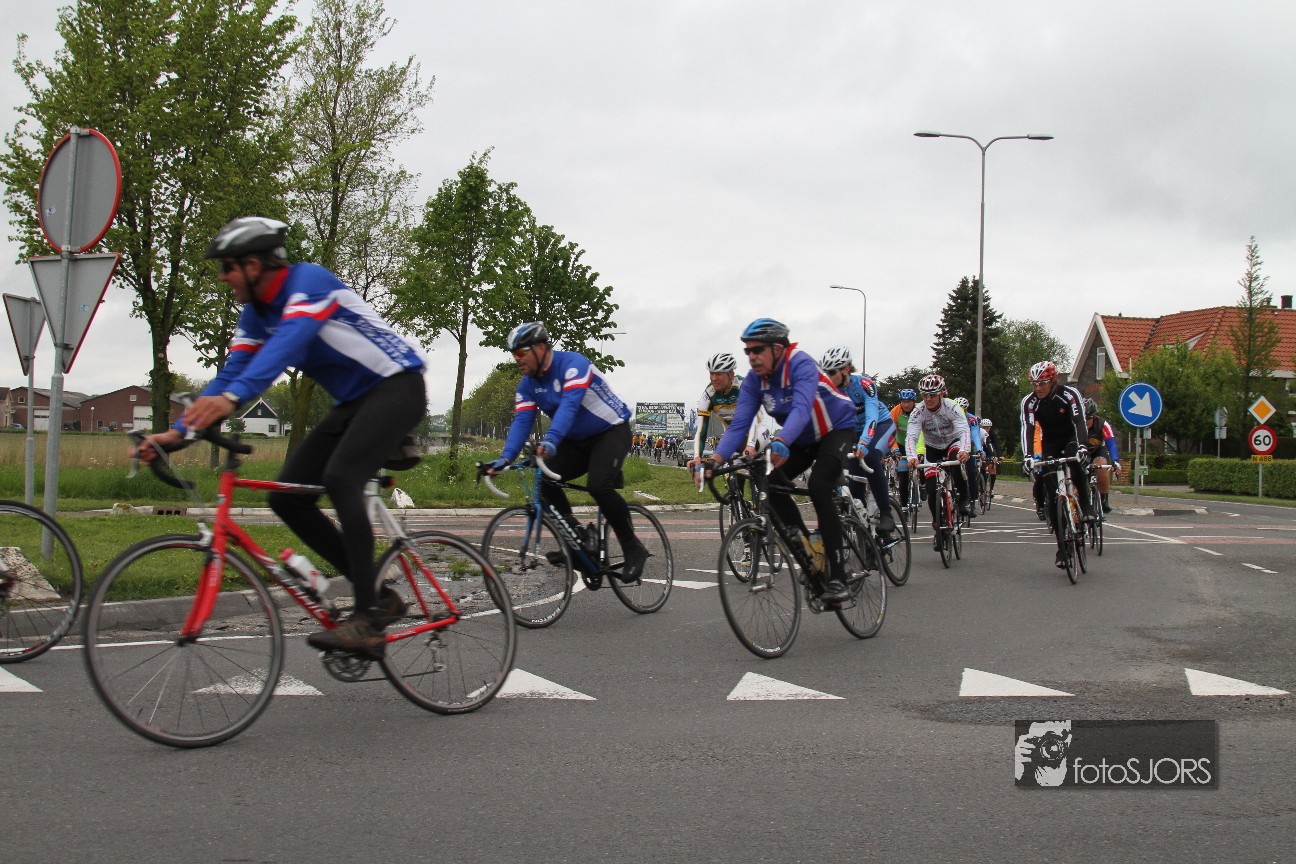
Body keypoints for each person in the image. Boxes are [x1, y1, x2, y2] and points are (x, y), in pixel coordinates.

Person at [135, 217, 428, 658]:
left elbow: (286, 345)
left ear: (253, 265)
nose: (222, 277)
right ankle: (381, 595)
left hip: (397, 386)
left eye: (227, 267)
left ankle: (367, 620)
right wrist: (178, 434)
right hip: (354, 402)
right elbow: (234, 371)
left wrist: (230, 400)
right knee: (286, 498)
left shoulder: (309, 282)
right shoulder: (255, 313)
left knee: (341, 478)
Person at [690, 318, 858, 603]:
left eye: (758, 350)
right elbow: (739, 425)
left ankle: (839, 576)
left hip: (835, 428)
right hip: (802, 438)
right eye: (748, 351)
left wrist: (782, 440)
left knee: (819, 485)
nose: (752, 357)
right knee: (770, 483)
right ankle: (810, 551)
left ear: (778, 348)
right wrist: (714, 460)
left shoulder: (800, 364)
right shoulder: (755, 381)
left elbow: (802, 408)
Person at [483, 322, 649, 581]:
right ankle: (578, 541)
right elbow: (522, 421)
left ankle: (633, 547)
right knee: (544, 481)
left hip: (610, 432)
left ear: (540, 348)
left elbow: (569, 406)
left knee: (599, 486)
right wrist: (505, 458)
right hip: (575, 440)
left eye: (521, 352)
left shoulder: (573, 365)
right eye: (513, 354)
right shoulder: (528, 385)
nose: (517, 359)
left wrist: (551, 440)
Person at [1020, 360, 1092, 569]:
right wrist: (1028, 456)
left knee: (1074, 461)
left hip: (1071, 439)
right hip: (1050, 443)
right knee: (1052, 495)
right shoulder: (1029, 402)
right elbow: (1027, 428)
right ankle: (1062, 547)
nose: (1038, 388)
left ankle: (1086, 503)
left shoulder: (1069, 394)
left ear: (1053, 381)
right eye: (1034, 384)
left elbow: (1079, 421)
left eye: (1042, 383)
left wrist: (1083, 447)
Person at [819, 346, 895, 535]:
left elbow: (872, 417)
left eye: (831, 372)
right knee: (854, 483)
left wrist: (864, 442)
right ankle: (864, 534)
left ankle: (886, 512)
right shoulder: (829, 390)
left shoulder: (864, 384)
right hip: (853, 431)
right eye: (825, 373)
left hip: (881, 425)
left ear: (846, 369)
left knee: (870, 457)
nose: (828, 377)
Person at [904, 373, 972, 539]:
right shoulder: (918, 412)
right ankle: (937, 522)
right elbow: (911, 437)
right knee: (931, 487)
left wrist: (964, 450)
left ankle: (964, 499)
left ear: (941, 393)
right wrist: (912, 456)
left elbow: (964, 430)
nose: (928, 399)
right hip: (932, 447)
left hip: (952, 442)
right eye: (925, 395)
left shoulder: (952, 407)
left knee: (957, 462)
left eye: (932, 395)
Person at [1082, 397, 1121, 513]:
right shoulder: (1074, 424)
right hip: (1080, 452)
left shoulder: (1102, 424)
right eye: (1083, 418)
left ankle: (1104, 498)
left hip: (1097, 451)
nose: (1086, 421)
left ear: (1094, 416)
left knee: (1101, 467)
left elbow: (1111, 443)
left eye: (1089, 418)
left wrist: (1115, 460)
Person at [889, 388, 919, 510]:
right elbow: (891, 434)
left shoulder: (920, 410)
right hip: (901, 446)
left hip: (917, 445)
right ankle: (904, 506)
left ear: (914, 402)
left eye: (908, 402)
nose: (906, 405)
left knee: (922, 468)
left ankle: (922, 485)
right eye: (903, 401)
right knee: (903, 475)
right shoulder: (895, 412)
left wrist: (921, 451)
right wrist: (895, 450)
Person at [952, 396, 982, 519]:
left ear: (966, 409)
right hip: (954, 446)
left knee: (971, 473)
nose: (961, 411)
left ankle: (973, 502)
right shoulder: (950, 417)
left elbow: (975, 434)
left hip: (968, 447)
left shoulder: (971, 419)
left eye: (963, 409)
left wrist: (979, 449)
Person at [979, 417, 1001, 498]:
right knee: (980, 468)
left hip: (988, 452)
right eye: (984, 427)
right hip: (980, 451)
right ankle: (981, 487)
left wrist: (999, 455)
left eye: (988, 428)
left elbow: (996, 444)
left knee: (993, 467)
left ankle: (991, 489)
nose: (986, 429)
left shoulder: (992, 434)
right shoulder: (979, 432)